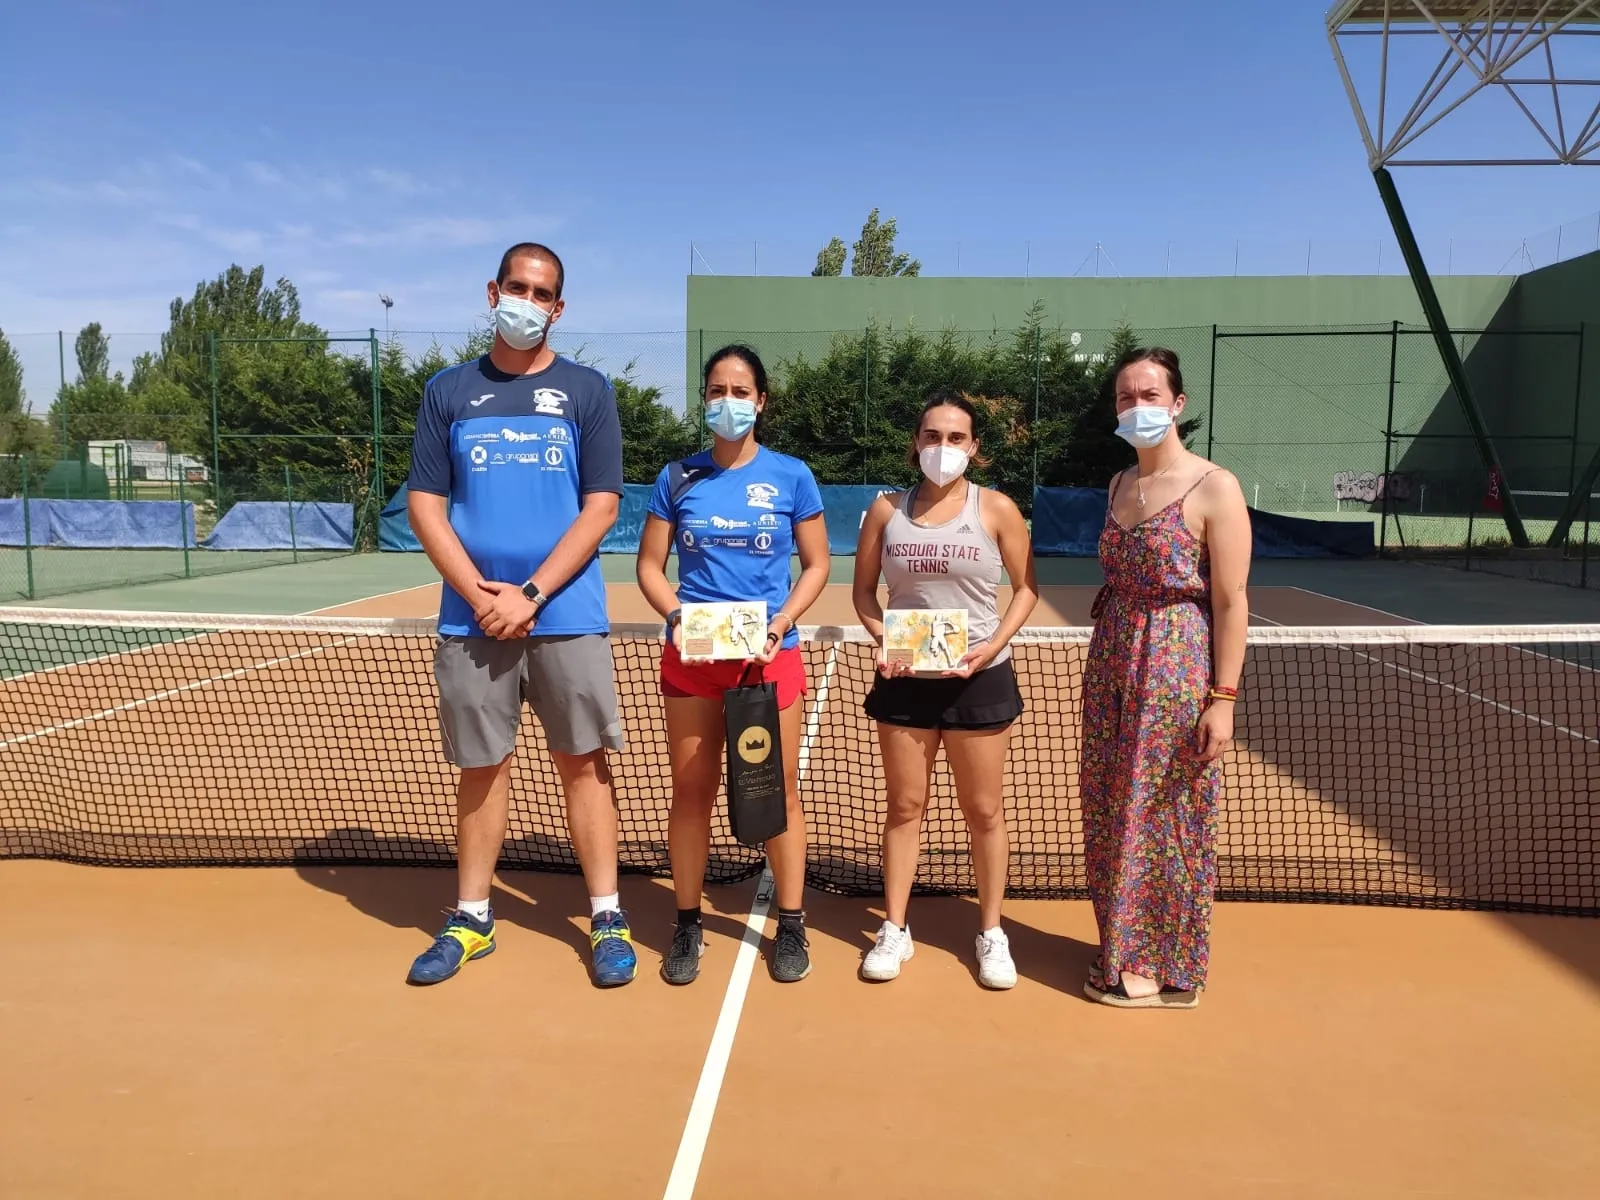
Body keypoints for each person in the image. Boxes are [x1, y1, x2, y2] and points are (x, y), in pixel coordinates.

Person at [403, 242, 638, 989]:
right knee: (482, 766)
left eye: (542, 293)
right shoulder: (448, 391)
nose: (527, 302)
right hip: (472, 621)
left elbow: (601, 506)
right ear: (492, 291)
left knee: (585, 766)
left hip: (566, 615)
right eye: (517, 287)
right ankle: (472, 919)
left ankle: (606, 916)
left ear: (558, 308)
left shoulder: (587, 392)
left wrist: (530, 594)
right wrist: (480, 596)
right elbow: (425, 505)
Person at [635, 344, 831, 986]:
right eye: (716, 390)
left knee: (776, 796)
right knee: (691, 794)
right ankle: (687, 923)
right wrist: (676, 618)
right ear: (704, 399)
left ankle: (792, 924)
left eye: (740, 391)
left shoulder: (792, 476)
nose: (728, 401)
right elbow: (649, 568)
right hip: (693, 662)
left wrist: (779, 624)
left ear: (761, 401)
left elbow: (818, 565)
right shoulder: (677, 477)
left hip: (767, 665)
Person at [1080, 345, 1251, 1009]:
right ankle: (1118, 946)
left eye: (1150, 395)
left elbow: (1232, 600)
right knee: (1107, 805)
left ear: (1177, 404)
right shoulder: (1119, 485)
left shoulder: (1216, 486)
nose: (1137, 406)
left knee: (1161, 813)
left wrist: (1223, 699)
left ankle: (1162, 967)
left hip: (1175, 664)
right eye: (1126, 397)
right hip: (1112, 659)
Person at [851, 389, 1039, 989]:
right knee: (905, 807)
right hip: (905, 681)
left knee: (983, 811)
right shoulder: (886, 510)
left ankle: (991, 933)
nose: (943, 448)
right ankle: (895, 928)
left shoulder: (998, 510)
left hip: (979, 679)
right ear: (916, 443)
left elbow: (1027, 588)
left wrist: (993, 644)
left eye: (956, 438)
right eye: (932, 436)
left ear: (974, 447)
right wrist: (885, 640)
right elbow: (863, 594)